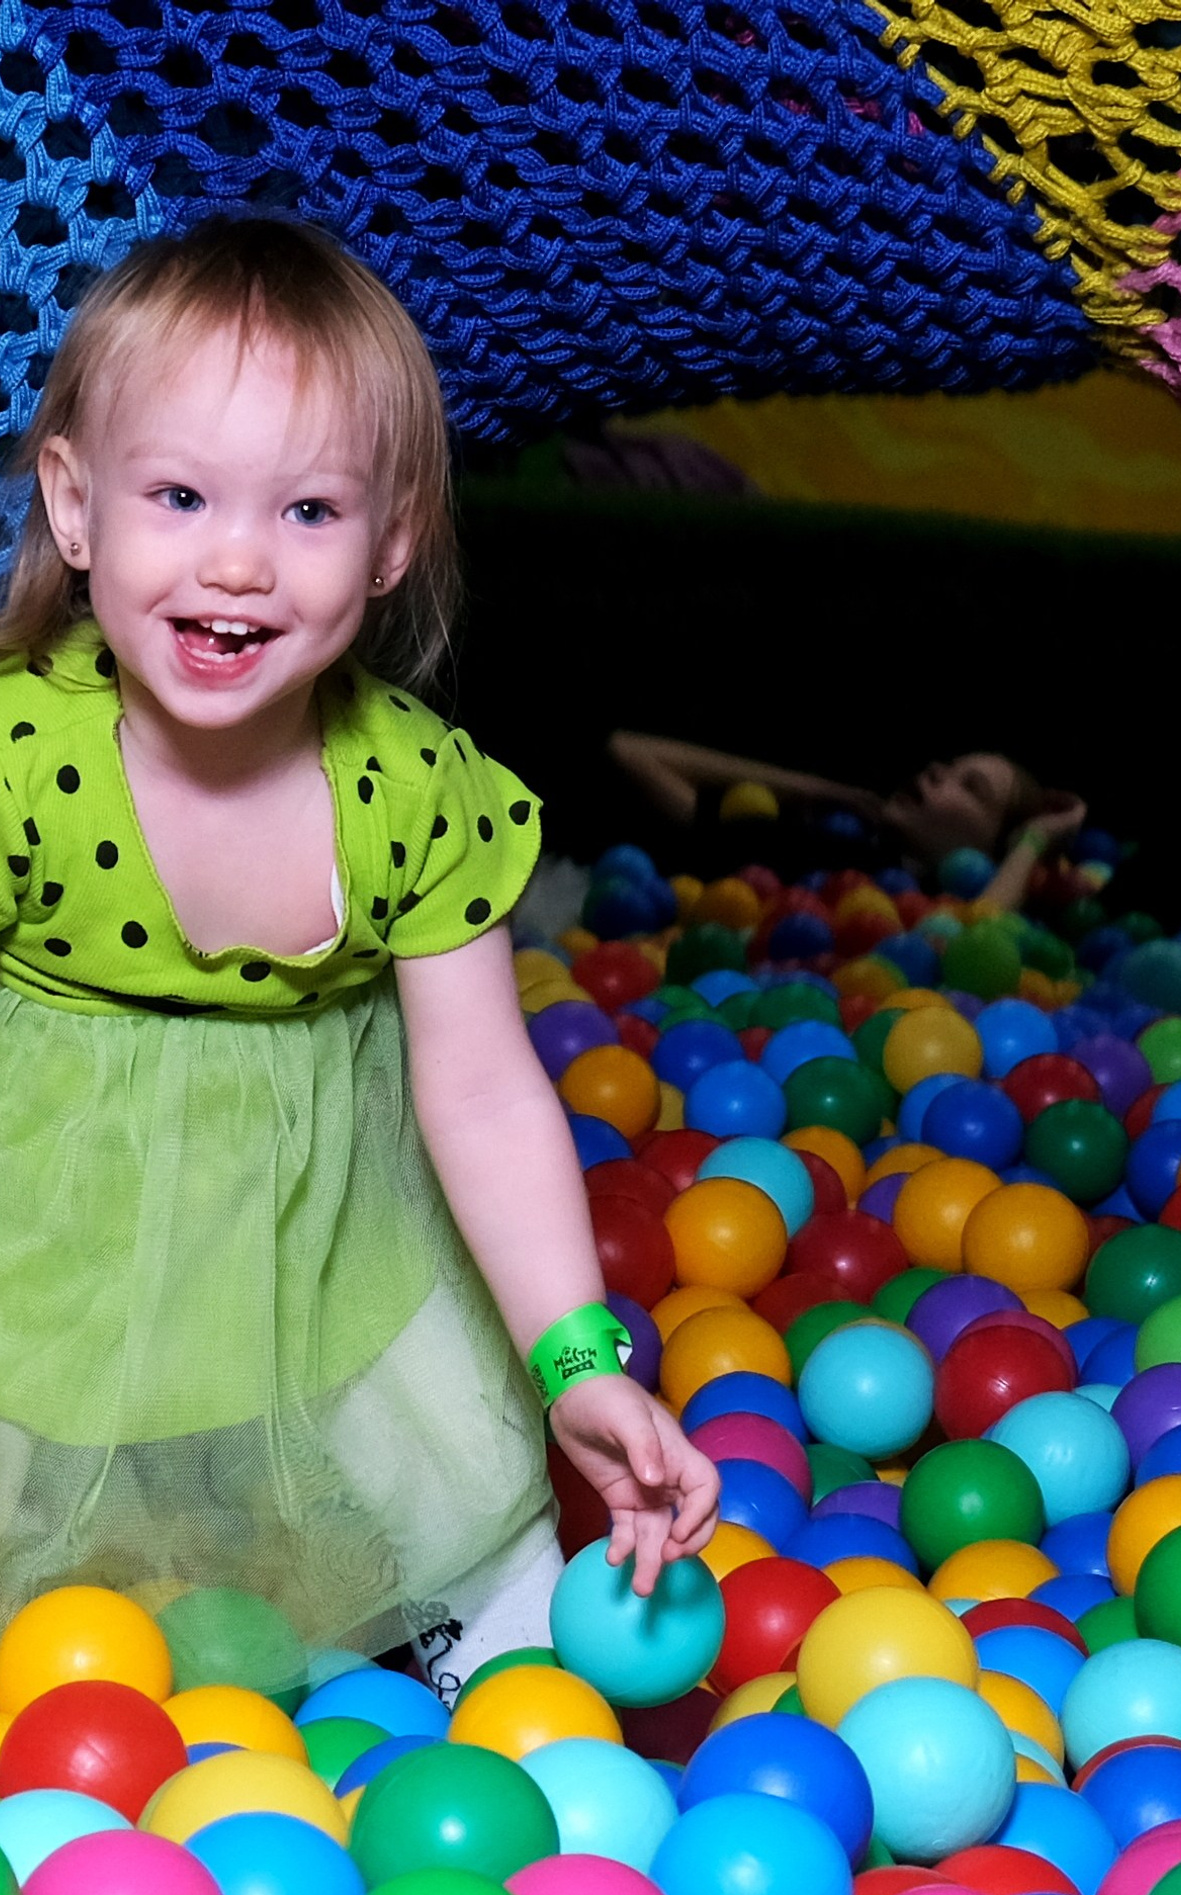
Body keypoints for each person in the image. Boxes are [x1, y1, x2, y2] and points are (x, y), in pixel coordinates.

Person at [0, 216, 717, 1697]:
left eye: (311, 511)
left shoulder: (409, 793)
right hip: (41, 1238)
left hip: (317, 1246)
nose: (242, 560)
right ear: (76, 509)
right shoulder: (18, 762)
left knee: (442, 1450)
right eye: (182, 495)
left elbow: (482, 1093)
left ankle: (478, 1633)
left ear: (393, 539)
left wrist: (581, 1365)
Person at [606, 730, 1083, 899]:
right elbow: (631, 751)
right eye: (950, 766)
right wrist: (813, 788)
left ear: (992, 846)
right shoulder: (820, 849)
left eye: (970, 786)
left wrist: (1034, 840)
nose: (938, 769)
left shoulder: (949, 911)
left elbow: (978, 938)